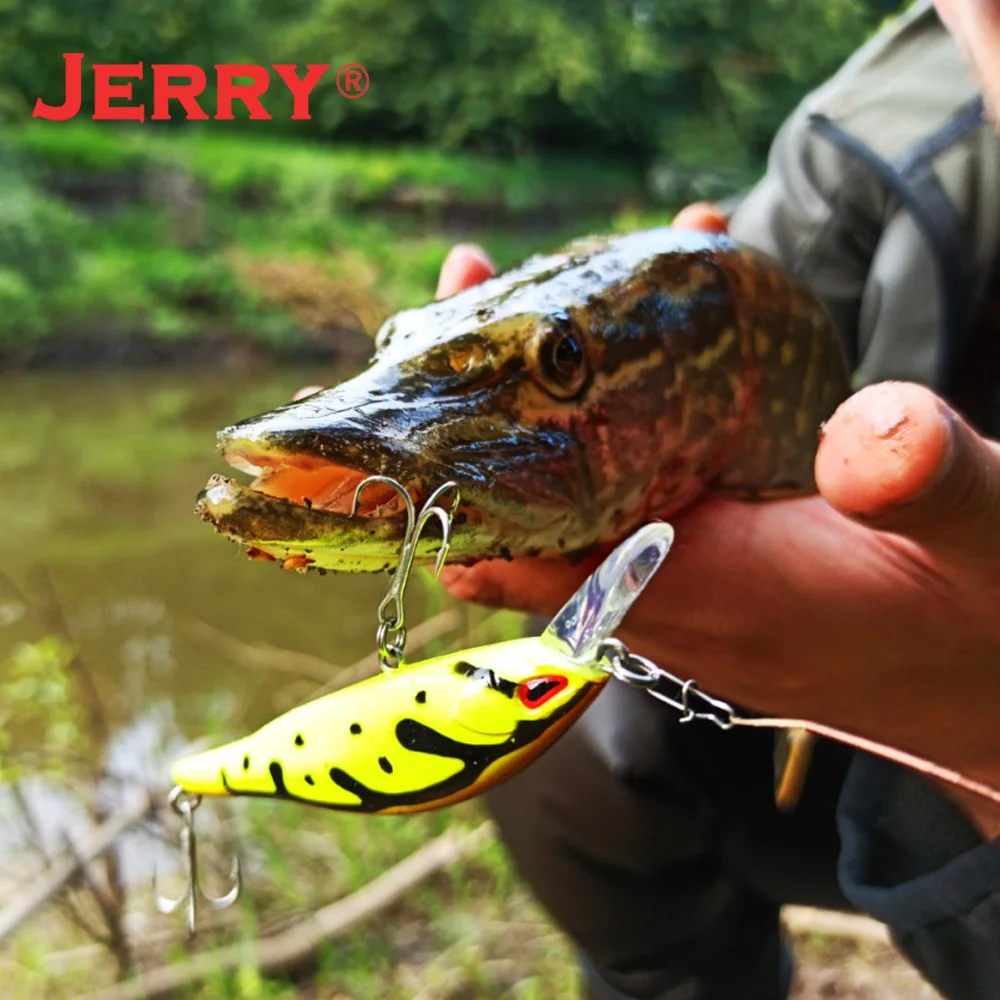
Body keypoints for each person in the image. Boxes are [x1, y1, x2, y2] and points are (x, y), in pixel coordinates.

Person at [427, 2, 1000, 998]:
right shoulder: (875, 134)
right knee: (578, 724)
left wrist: (976, 733)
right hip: (858, 718)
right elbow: (704, 296)